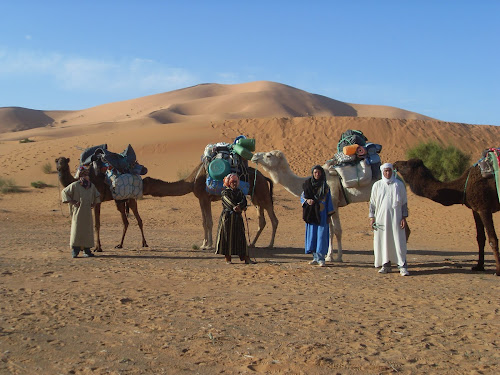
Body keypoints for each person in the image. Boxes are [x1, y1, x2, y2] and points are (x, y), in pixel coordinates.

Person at [369, 163, 410, 276]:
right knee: (383, 240)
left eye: (389, 171)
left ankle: (402, 265)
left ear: (392, 171)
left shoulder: (399, 185)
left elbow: (404, 203)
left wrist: (404, 218)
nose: (387, 173)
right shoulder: (377, 185)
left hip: (396, 218)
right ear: (382, 172)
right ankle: (386, 264)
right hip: (381, 218)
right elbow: (372, 203)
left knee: (398, 240)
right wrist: (372, 217)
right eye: (385, 171)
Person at [215, 173, 255, 264]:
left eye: (236, 182)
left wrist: (240, 206)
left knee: (241, 237)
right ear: (229, 182)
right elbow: (228, 202)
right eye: (232, 182)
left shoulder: (239, 192)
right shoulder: (225, 192)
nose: (234, 183)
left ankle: (246, 258)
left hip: (237, 218)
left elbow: (243, 201)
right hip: (227, 218)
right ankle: (228, 258)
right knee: (227, 237)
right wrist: (236, 207)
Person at [61, 165, 100, 258]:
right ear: (80, 175)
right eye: (84, 174)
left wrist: (94, 204)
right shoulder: (75, 185)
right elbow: (64, 192)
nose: (86, 176)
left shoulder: (91, 186)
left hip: (87, 212)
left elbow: (97, 196)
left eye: (87, 174)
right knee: (77, 229)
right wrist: (72, 202)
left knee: (87, 230)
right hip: (77, 212)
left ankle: (87, 250)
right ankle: (75, 250)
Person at [301, 165, 335, 267]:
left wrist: (329, 215)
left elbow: (329, 201)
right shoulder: (307, 185)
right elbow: (302, 196)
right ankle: (315, 257)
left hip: (322, 214)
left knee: (321, 236)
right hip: (311, 213)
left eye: (319, 173)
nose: (317, 174)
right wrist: (307, 200)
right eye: (315, 172)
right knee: (312, 236)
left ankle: (321, 258)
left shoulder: (325, 187)